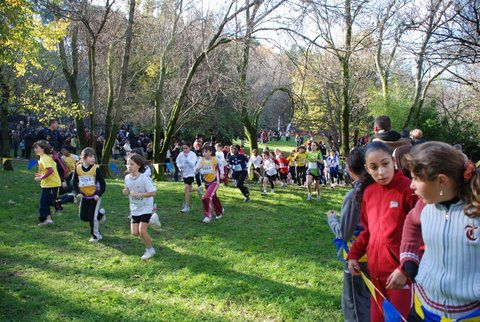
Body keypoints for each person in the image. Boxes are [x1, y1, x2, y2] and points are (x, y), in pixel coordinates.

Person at [391, 142, 480, 321]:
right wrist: (409, 257)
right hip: (422, 309)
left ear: (441, 181)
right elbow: (411, 222)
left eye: (416, 179)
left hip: (468, 315)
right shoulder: (424, 206)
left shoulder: (476, 211)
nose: (411, 186)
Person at [346, 141, 418, 322]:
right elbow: (368, 231)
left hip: (401, 279)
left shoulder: (409, 190)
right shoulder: (369, 193)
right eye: (374, 167)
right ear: (366, 169)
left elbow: (423, 237)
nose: (381, 172)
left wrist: (405, 270)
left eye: (385, 164)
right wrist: (354, 255)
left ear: (393, 161)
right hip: (375, 279)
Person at [327, 147, 370, 322]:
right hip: (378, 252)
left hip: (357, 255)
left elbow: (344, 233)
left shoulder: (355, 195)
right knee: (369, 298)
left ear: (351, 170)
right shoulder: (378, 189)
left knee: (353, 301)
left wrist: (332, 219)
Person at [123, 154, 157, 260]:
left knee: (142, 231)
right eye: (128, 164)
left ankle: (150, 250)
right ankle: (153, 220)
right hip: (134, 208)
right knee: (135, 233)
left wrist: (139, 194)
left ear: (138, 166)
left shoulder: (144, 178)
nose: (129, 166)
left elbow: (153, 192)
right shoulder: (127, 178)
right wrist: (125, 191)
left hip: (146, 207)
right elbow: (127, 190)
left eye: (131, 164)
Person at [72, 147, 106, 243]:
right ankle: (101, 214)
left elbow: (103, 184)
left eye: (93, 156)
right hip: (84, 196)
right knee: (83, 217)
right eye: (91, 156)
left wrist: (98, 194)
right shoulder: (78, 168)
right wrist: (78, 192)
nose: (93, 158)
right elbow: (74, 182)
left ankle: (96, 235)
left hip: (94, 197)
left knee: (92, 217)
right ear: (84, 158)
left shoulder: (96, 169)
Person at [33, 140, 61, 226]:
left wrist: (41, 177)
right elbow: (46, 170)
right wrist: (41, 174)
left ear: (42, 149)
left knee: (51, 202)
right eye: (34, 148)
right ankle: (48, 220)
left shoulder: (45, 158)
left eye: (37, 148)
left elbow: (50, 170)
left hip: (52, 184)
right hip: (47, 184)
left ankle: (70, 197)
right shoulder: (42, 157)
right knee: (44, 202)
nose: (35, 149)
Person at [195, 145, 224, 223]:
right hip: (206, 182)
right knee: (213, 196)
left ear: (210, 152)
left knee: (206, 197)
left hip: (215, 181)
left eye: (206, 151)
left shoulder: (215, 159)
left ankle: (208, 216)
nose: (204, 153)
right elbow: (196, 170)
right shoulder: (201, 160)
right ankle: (220, 211)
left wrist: (222, 173)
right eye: (203, 152)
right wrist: (198, 168)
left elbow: (222, 164)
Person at [175, 142, 198, 213]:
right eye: (183, 148)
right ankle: (198, 189)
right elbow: (177, 162)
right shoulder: (181, 154)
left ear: (190, 147)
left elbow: (193, 164)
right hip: (184, 174)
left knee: (186, 188)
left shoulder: (193, 154)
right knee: (189, 189)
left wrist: (187, 157)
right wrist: (179, 167)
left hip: (191, 173)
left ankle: (186, 206)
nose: (184, 150)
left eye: (186, 148)